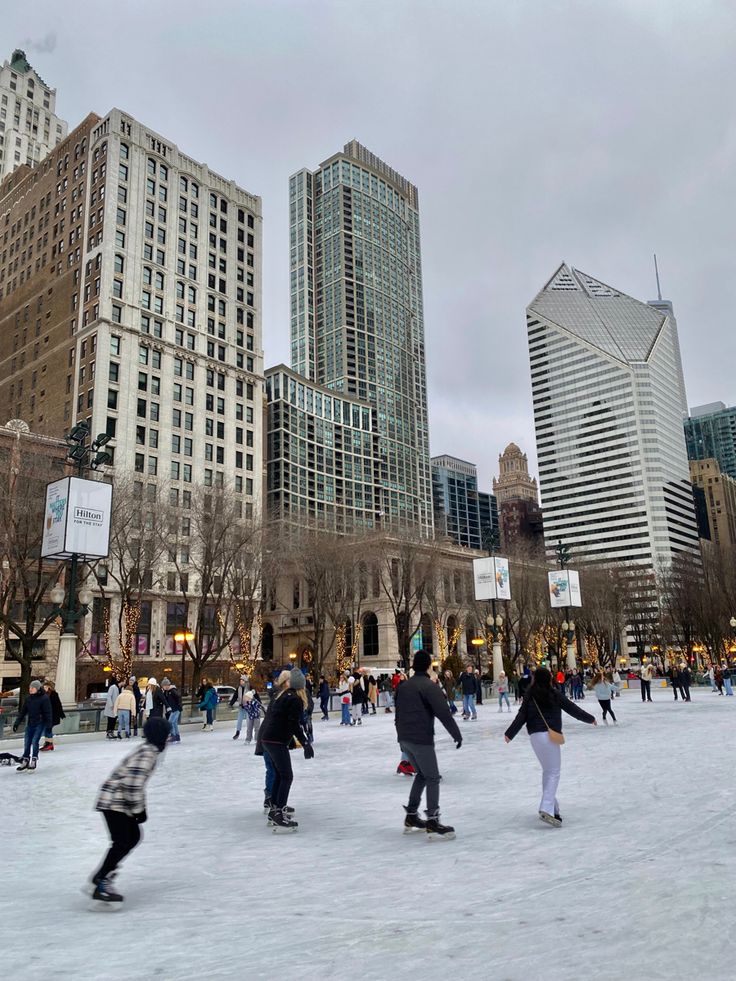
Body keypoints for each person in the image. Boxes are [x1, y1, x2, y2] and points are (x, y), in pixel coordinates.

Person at [89, 716, 170, 903]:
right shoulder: (148, 754)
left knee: (131, 837)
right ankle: (101, 880)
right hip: (114, 802)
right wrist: (139, 811)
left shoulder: (147, 750)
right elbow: (132, 785)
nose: (168, 739)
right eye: (166, 734)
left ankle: (104, 875)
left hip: (115, 800)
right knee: (123, 840)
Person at [504, 666, 596, 826]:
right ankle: (546, 806)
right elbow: (571, 708)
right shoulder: (554, 693)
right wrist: (590, 718)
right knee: (553, 772)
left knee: (548, 772)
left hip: (535, 737)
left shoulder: (530, 695)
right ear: (548, 679)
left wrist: (510, 733)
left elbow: (522, 715)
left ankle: (554, 808)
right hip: (550, 736)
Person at [395, 649, 463, 838]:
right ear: (427, 666)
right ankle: (433, 820)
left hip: (405, 738)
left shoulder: (403, 686)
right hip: (420, 739)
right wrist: (456, 735)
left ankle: (411, 815)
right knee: (433, 777)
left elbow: (397, 714)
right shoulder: (428, 686)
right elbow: (444, 713)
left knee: (423, 775)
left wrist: (400, 738)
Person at [259, 668, 314, 831]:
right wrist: (305, 743)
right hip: (276, 741)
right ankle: (278, 812)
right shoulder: (295, 699)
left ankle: (275, 810)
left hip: (269, 739)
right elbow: (293, 725)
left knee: (279, 775)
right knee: (286, 776)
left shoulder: (284, 695)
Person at [12, 680, 52, 772]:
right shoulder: (29, 698)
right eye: (30, 688)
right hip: (30, 723)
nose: (30, 689)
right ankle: (26, 759)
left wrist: (49, 726)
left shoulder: (44, 698)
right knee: (27, 742)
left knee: (35, 741)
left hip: (40, 723)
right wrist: (17, 722)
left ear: (37, 689)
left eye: (32, 688)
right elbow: (23, 711)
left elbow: (48, 713)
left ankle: (34, 759)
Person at [40, 680, 65, 751]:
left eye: (45, 687)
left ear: (49, 687)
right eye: (44, 687)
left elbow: (58, 705)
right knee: (46, 729)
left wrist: (61, 714)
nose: (44, 688)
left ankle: (49, 744)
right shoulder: (43, 695)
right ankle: (48, 743)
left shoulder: (54, 694)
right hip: (46, 716)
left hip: (53, 716)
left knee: (48, 729)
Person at [230, 675, 252, 739]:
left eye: (242, 680)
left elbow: (254, 695)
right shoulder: (238, 688)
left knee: (249, 721)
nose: (241, 682)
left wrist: (259, 703)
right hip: (241, 707)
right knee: (239, 720)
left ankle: (249, 733)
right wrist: (231, 703)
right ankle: (237, 732)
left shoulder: (249, 687)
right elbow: (235, 696)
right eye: (240, 681)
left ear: (245, 681)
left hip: (248, 707)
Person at [161, 678, 182, 742]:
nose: (163, 687)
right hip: (173, 709)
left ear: (167, 685)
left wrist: (178, 705)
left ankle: (173, 735)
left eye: (163, 686)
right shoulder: (167, 691)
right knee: (174, 722)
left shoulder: (172, 690)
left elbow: (178, 697)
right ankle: (177, 736)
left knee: (170, 722)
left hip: (176, 709)